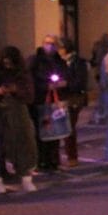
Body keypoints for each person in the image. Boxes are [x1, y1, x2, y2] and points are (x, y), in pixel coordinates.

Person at [0, 45, 39, 194]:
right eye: (4, 62)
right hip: (1, 113)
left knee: (24, 144)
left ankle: (25, 178)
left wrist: (16, 90)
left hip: (19, 114)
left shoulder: (22, 74)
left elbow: (30, 96)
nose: (7, 65)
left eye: (9, 62)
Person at [28, 35, 69, 172]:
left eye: (53, 44)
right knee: (41, 132)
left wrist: (62, 83)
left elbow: (67, 76)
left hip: (56, 101)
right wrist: (46, 86)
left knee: (55, 131)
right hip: (40, 101)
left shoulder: (60, 62)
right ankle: (40, 161)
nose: (50, 46)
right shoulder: (35, 61)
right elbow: (30, 79)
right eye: (47, 43)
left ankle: (53, 161)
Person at [57, 37, 90, 167]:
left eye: (60, 48)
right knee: (58, 128)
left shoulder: (78, 62)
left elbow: (80, 82)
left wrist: (66, 84)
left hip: (73, 98)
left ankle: (72, 156)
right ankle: (57, 156)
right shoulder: (57, 61)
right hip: (59, 97)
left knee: (69, 127)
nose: (58, 50)